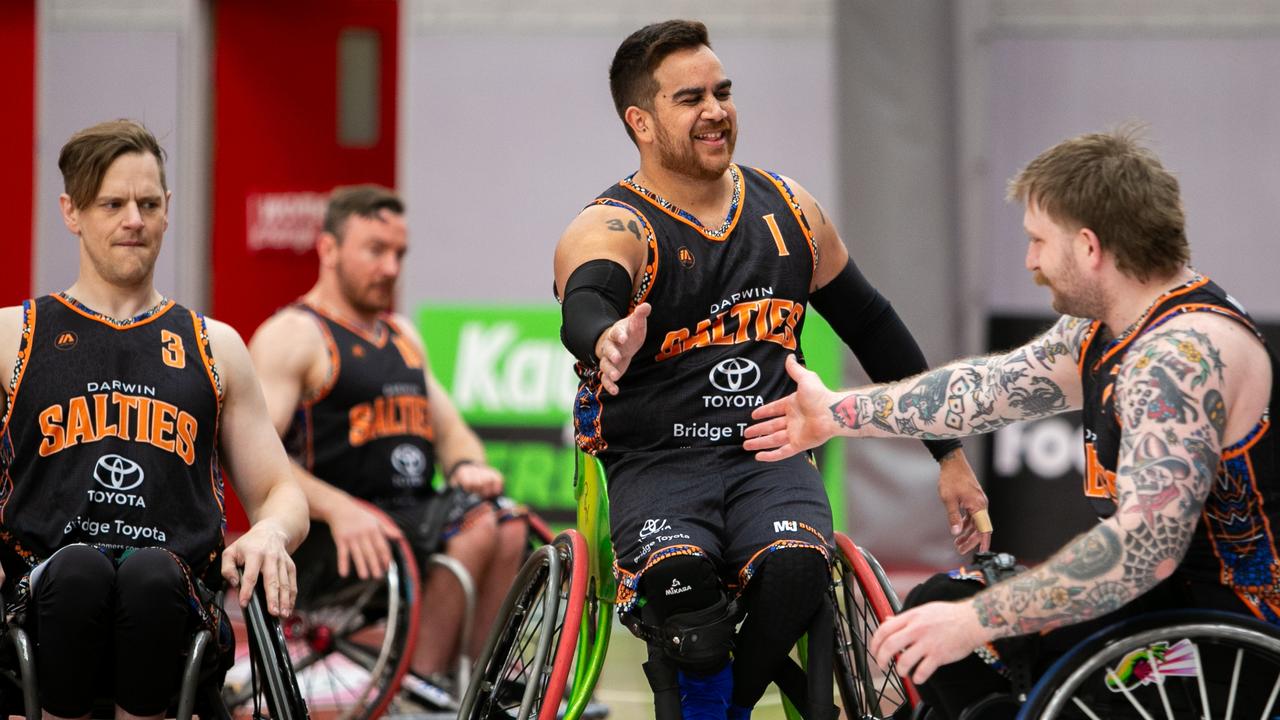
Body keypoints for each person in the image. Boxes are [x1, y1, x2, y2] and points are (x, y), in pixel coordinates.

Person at [744, 127, 1280, 717]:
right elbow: (988, 389)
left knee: (969, 651)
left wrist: (976, 621)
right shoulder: (1110, 327)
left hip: (1228, 644)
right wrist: (834, 414)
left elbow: (1142, 550)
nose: (1030, 262)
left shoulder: (1176, 359)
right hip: (1160, 613)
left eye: (1037, 242)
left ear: (1089, 246)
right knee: (938, 604)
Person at [554, 19, 988, 719]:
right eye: (690, 98)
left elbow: (873, 327)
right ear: (640, 121)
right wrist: (604, 337)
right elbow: (588, 296)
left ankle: (725, 707)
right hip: (659, 461)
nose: (716, 110)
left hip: (772, 451)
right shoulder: (614, 225)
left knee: (797, 571)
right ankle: (711, 688)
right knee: (683, 590)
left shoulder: (790, 210)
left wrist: (949, 454)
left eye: (722, 92)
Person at [0, 119, 309, 720]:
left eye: (147, 203)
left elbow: (279, 490)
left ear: (168, 209)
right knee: (81, 573)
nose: (133, 220)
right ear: (72, 212)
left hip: (174, 599)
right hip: (41, 598)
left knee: (146, 578)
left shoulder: (215, 346)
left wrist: (271, 531)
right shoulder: (13, 336)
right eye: (112, 204)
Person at [248, 184, 528, 709]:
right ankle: (420, 683)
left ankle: (478, 680)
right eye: (375, 250)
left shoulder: (402, 335)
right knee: (474, 526)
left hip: (406, 519)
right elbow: (254, 456)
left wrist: (467, 465)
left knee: (506, 520)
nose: (391, 267)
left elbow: (451, 431)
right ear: (328, 250)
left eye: (399, 253)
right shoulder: (295, 334)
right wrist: (340, 508)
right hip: (330, 536)